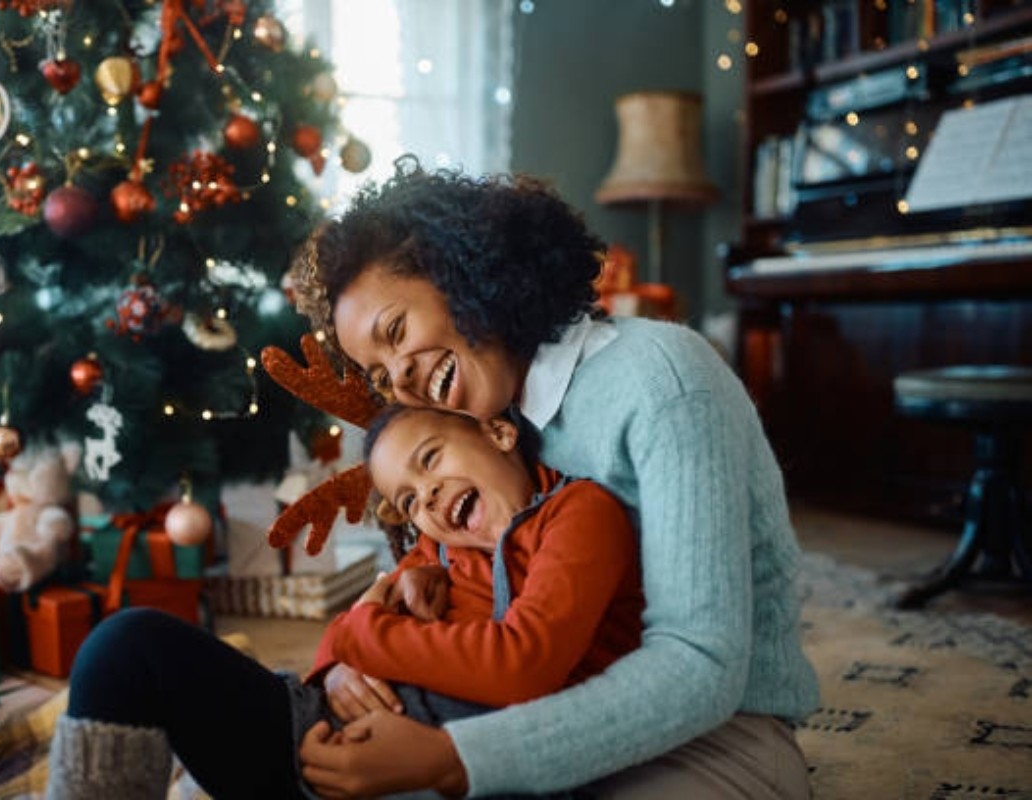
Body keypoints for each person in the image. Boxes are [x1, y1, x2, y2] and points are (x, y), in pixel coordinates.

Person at [289, 157, 819, 799]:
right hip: (531, 712)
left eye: (396, 333)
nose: (398, 379)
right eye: (379, 374)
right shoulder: (490, 417)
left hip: (713, 737)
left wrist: (457, 758)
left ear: (457, 272)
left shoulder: (664, 380)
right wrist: (344, 665)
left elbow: (701, 666)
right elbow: (421, 577)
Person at [47, 402, 645, 799]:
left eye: (431, 458)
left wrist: (363, 631)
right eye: (409, 503)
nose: (429, 499)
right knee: (127, 645)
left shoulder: (577, 512)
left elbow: (525, 663)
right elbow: (345, 635)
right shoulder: (439, 546)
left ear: (498, 431)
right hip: (321, 739)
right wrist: (337, 663)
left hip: (456, 769)